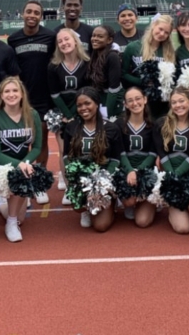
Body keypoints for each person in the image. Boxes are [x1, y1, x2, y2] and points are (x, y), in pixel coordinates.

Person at [7, 0, 56, 203]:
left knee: (41, 140)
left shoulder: (50, 36)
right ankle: (22, 181)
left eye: (37, 12)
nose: (32, 15)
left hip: (44, 98)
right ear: (22, 13)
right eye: (29, 11)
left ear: (41, 16)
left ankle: (39, 181)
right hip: (22, 99)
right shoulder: (13, 39)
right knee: (19, 142)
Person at [0, 77, 42, 242]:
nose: (11, 94)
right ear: (1, 96)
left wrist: (26, 163)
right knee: (20, 178)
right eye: (7, 91)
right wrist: (20, 164)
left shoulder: (32, 115)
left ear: (22, 94)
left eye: (15, 90)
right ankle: (10, 223)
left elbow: (37, 148)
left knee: (21, 219)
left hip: (23, 167)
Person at [63, 87, 124, 232]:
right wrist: (75, 176)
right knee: (77, 207)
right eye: (79, 105)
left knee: (100, 226)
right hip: (82, 179)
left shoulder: (110, 128)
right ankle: (86, 209)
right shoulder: (72, 127)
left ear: (97, 104)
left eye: (87, 103)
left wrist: (103, 179)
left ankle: (111, 200)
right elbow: (66, 156)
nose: (83, 108)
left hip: (103, 180)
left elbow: (116, 158)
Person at [153, 87, 189, 234]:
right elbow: (161, 153)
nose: (178, 105)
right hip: (172, 175)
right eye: (174, 102)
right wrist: (172, 177)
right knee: (183, 228)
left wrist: (177, 174)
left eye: (181, 101)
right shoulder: (161, 124)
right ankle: (177, 213)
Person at [48, 28, 90, 201]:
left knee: (82, 150)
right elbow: (54, 94)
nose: (64, 43)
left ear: (75, 41)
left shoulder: (87, 63)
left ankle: (84, 184)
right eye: (60, 41)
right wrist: (67, 114)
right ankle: (69, 187)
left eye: (67, 39)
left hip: (84, 111)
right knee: (65, 151)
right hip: (62, 113)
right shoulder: (53, 66)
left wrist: (76, 113)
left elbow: (89, 90)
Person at [115, 86, 157, 227]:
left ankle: (148, 202)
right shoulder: (119, 124)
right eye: (130, 100)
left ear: (145, 100)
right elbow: (119, 152)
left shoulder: (154, 125)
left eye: (138, 98)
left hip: (146, 171)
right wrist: (130, 171)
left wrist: (139, 171)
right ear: (125, 104)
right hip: (126, 171)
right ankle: (128, 201)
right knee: (129, 201)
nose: (135, 103)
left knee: (142, 222)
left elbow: (153, 153)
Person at [122, 14, 176, 118]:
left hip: (161, 103)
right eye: (160, 29)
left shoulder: (169, 52)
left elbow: (173, 77)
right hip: (138, 100)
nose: (161, 34)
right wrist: (143, 81)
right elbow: (123, 74)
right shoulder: (133, 47)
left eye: (166, 33)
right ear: (154, 25)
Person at [87, 25, 124, 118]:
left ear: (109, 40)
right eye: (93, 35)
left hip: (113, 104)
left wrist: (107, 114)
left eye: (100, 36)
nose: (95, 39)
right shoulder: (94, 55)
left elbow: (114, 89)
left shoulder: (112, 56)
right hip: (100, 101)